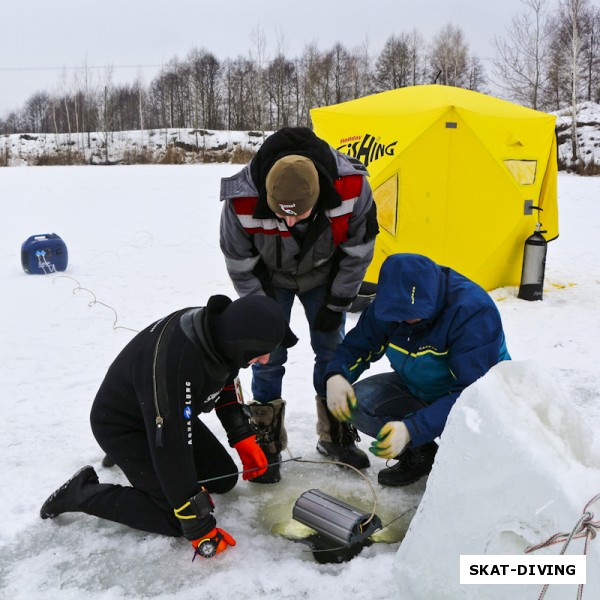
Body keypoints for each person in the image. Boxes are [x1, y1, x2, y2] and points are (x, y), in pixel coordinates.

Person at [40, 294, 290, 560]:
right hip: (122, 425)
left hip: (160, 413)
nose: (265, 360)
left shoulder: (221, 332)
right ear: (243, 344)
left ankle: (134, 461)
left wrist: (241, 436)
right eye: (262, 353)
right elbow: (171, 449)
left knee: (224, 478)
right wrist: (198, 526)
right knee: (175, 519)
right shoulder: (179, 361)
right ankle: (81, 492)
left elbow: (225, 379)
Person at [219, 127, 379, 482]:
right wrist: (264, 317)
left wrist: (337, 302)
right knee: (267, 354)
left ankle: (335, 433)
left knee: (332, 347)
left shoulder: (352, 187)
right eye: (282, 214)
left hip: (325, 276)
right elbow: (240, 263)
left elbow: (358, 251)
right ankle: (267, 438)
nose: (289, 222)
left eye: (299, 214)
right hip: (269, 279)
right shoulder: (240, 198)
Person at [325, 253, 511, 487]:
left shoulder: (472, 311)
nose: (406, 321)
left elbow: (472, 393)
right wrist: (337, 375)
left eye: (414, 314)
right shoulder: (387, 306)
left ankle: (466, 468)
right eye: (399, 316)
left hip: (479, 401)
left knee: (474, 463)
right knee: (359, 402)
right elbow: (358, 345)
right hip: (419, 385)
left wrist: (413, 428)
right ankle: (422, 453)